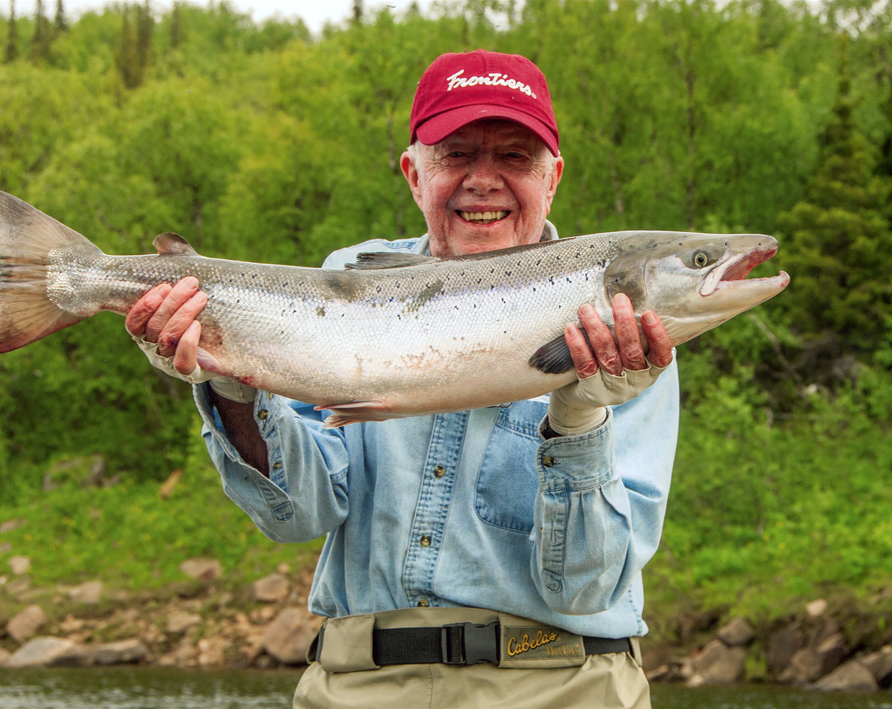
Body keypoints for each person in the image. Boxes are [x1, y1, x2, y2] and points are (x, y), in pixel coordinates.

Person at [125, 50, 679, 709]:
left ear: (551, 177)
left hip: (564, 686)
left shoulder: (625, 339)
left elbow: (588, 589)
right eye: (457, 154)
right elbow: (295, 514)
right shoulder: (349, 281)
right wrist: (233, 381)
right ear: (415, 175)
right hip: (356, 685)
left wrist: (579, 420)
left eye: (514, 156)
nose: (484, 180)